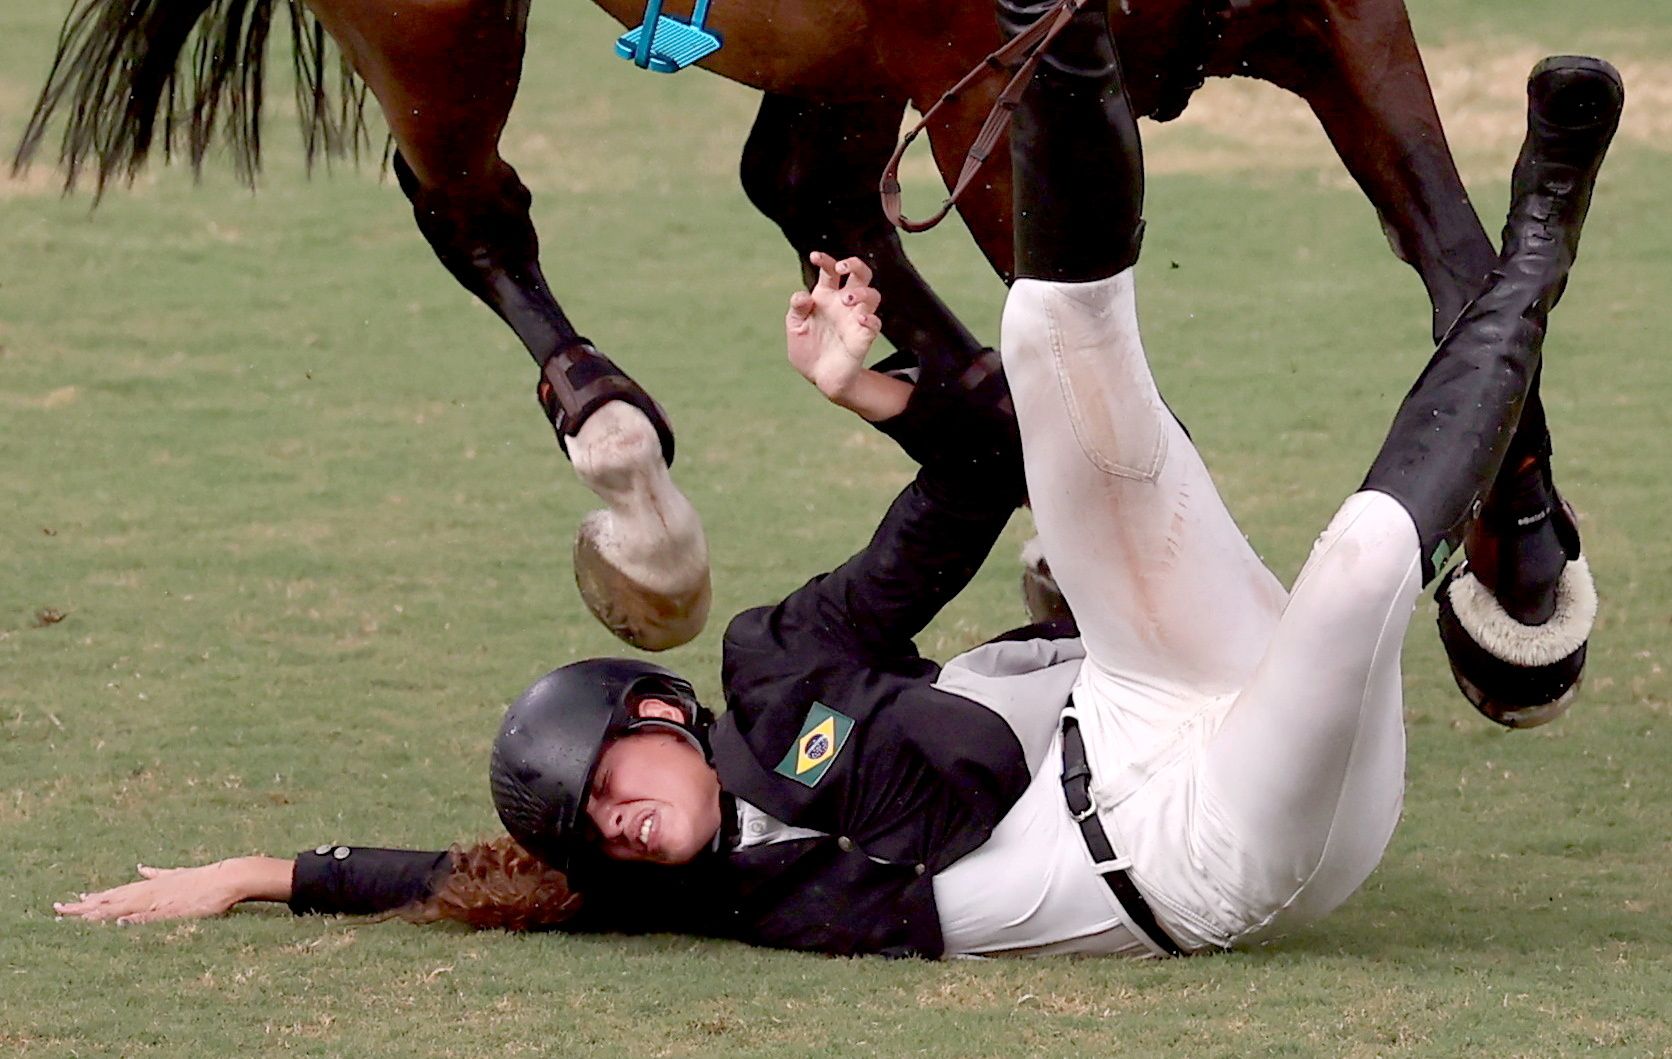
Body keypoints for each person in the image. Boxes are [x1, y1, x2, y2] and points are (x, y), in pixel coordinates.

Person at [56, 0, 1624, 958]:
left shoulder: (782, 662)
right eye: (599, 831)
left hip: (1157, 690)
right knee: (1357, 571)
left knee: (1058, 352)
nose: (620, 827)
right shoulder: (686, 897)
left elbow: (977, 472)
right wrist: (266, 879)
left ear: (661, 710)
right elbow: (477, 878)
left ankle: (1062, 54)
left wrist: (857, 384)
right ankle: (1538, 245)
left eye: (608, 790)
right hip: (1206, 853)